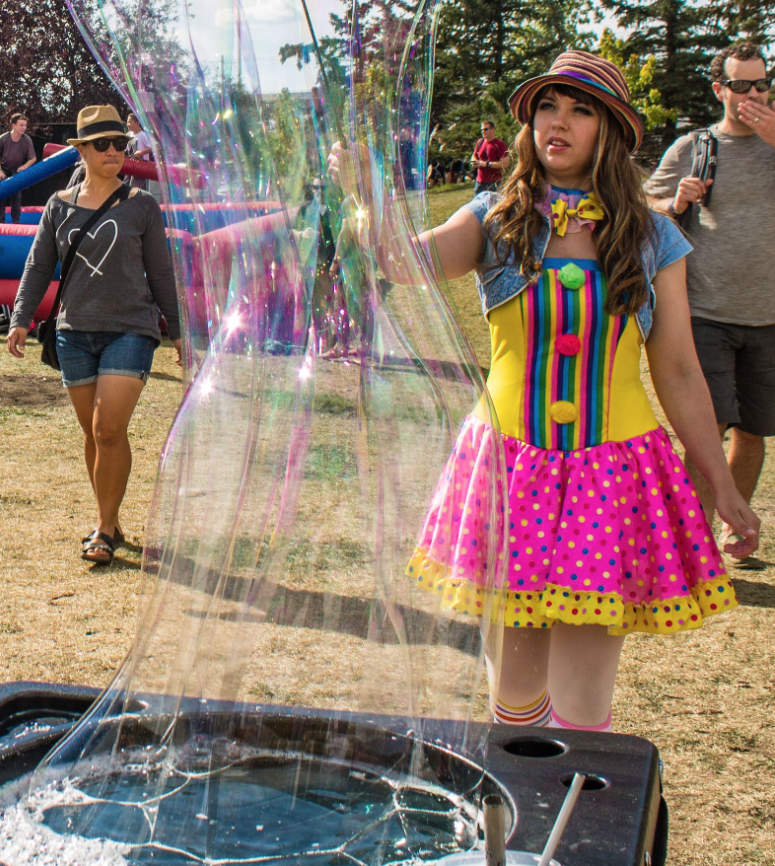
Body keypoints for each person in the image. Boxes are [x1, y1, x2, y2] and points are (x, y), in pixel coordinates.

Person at [330, 49, 759, 732]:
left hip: (610, 480)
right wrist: (368, 193)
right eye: (547, 108)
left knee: (583, 715)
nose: (558, 122)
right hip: (510, 472)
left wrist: (723, 482)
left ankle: (577, 830)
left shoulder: (653, 237)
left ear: (611, 131)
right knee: (515, 705)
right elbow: (399, 262)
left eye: (580, 110)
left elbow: (678, 370)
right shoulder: (496, 218)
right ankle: (520, 836)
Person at [6, 105, 182, 565]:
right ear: (81, 149)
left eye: (120, 143)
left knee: (108, 427)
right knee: (95, 434)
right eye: (101, 144)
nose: (113, 152)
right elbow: (38, 264)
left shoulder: (142, 205)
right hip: (74, 333)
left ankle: (102, 530)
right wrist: (20, 317)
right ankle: (112, 517)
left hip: (131, 331)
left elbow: (161, 273)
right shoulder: (57, 206)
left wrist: (178, 330)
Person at [646, 42, 775, 569]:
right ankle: (692, 549)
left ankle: (734, 529)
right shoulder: (692, 146)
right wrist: (675, 201)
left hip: (769, 315)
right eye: (741, 85)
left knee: (754, 431)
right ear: (719, 89)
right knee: (708, 428)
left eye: (762, 84)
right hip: (705, 311)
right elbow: (645, 203)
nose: (753, 95)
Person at [0, 113, 37, 224]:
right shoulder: (4, 138)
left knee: (16, 196)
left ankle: (16, 221)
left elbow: (33, 158)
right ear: (14, 125)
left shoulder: (26, 140)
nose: (24, 128)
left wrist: (24, 167)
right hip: (3, 168)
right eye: (21, 125)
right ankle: (0, 220)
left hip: (16, 170)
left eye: (25, 125)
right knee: (0, 194)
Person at [471, 119, 509, 195]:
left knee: (494, 206)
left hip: (494, 183)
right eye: (481, 130)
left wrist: (486, 164)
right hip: (479, 183)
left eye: (485, 129)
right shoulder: (480, 142)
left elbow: (505, 164)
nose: (483, 131)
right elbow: (474, 156)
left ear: (493, 130)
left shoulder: (499, 144)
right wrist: (474, 161)